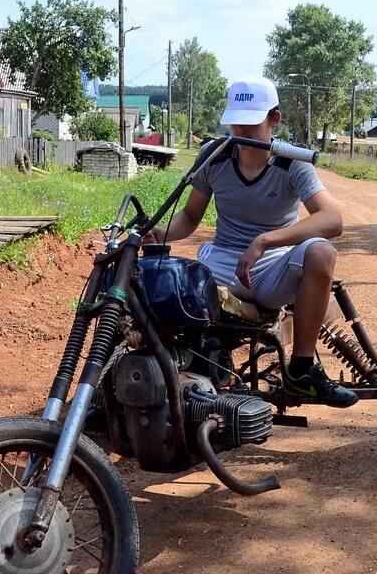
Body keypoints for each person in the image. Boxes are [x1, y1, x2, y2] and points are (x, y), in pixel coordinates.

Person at [149, 76, 357, 407]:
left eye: (251, 123)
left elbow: (332, 220)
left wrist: (265, 241)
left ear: (273, 119)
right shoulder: (213, 156)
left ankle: (302, 368)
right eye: (236, 124)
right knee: (158, 284)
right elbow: (189, 217)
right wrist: (160, 233)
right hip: (220, 265)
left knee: (320, 251)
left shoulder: (291, 162)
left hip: (273, 268)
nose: (242, 133)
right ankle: (160, 369)